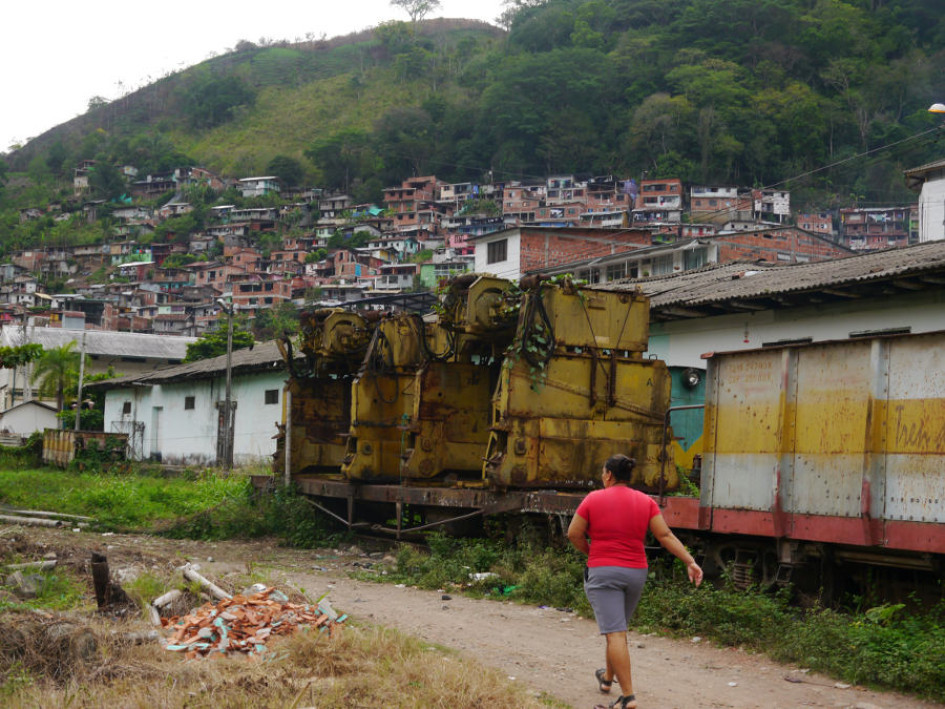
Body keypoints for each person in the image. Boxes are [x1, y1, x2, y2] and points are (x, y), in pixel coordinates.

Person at [567, 454, 703, 709]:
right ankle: (607, 679)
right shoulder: (645, 501)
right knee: (617, 629)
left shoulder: (593, 499)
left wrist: (592, 552)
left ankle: (628, 697)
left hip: (604, 572)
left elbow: (573, 533)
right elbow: (665, 535)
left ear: (609, 475)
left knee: (615, 633)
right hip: (635, 573)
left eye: (603, 472)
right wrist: (690, 561)